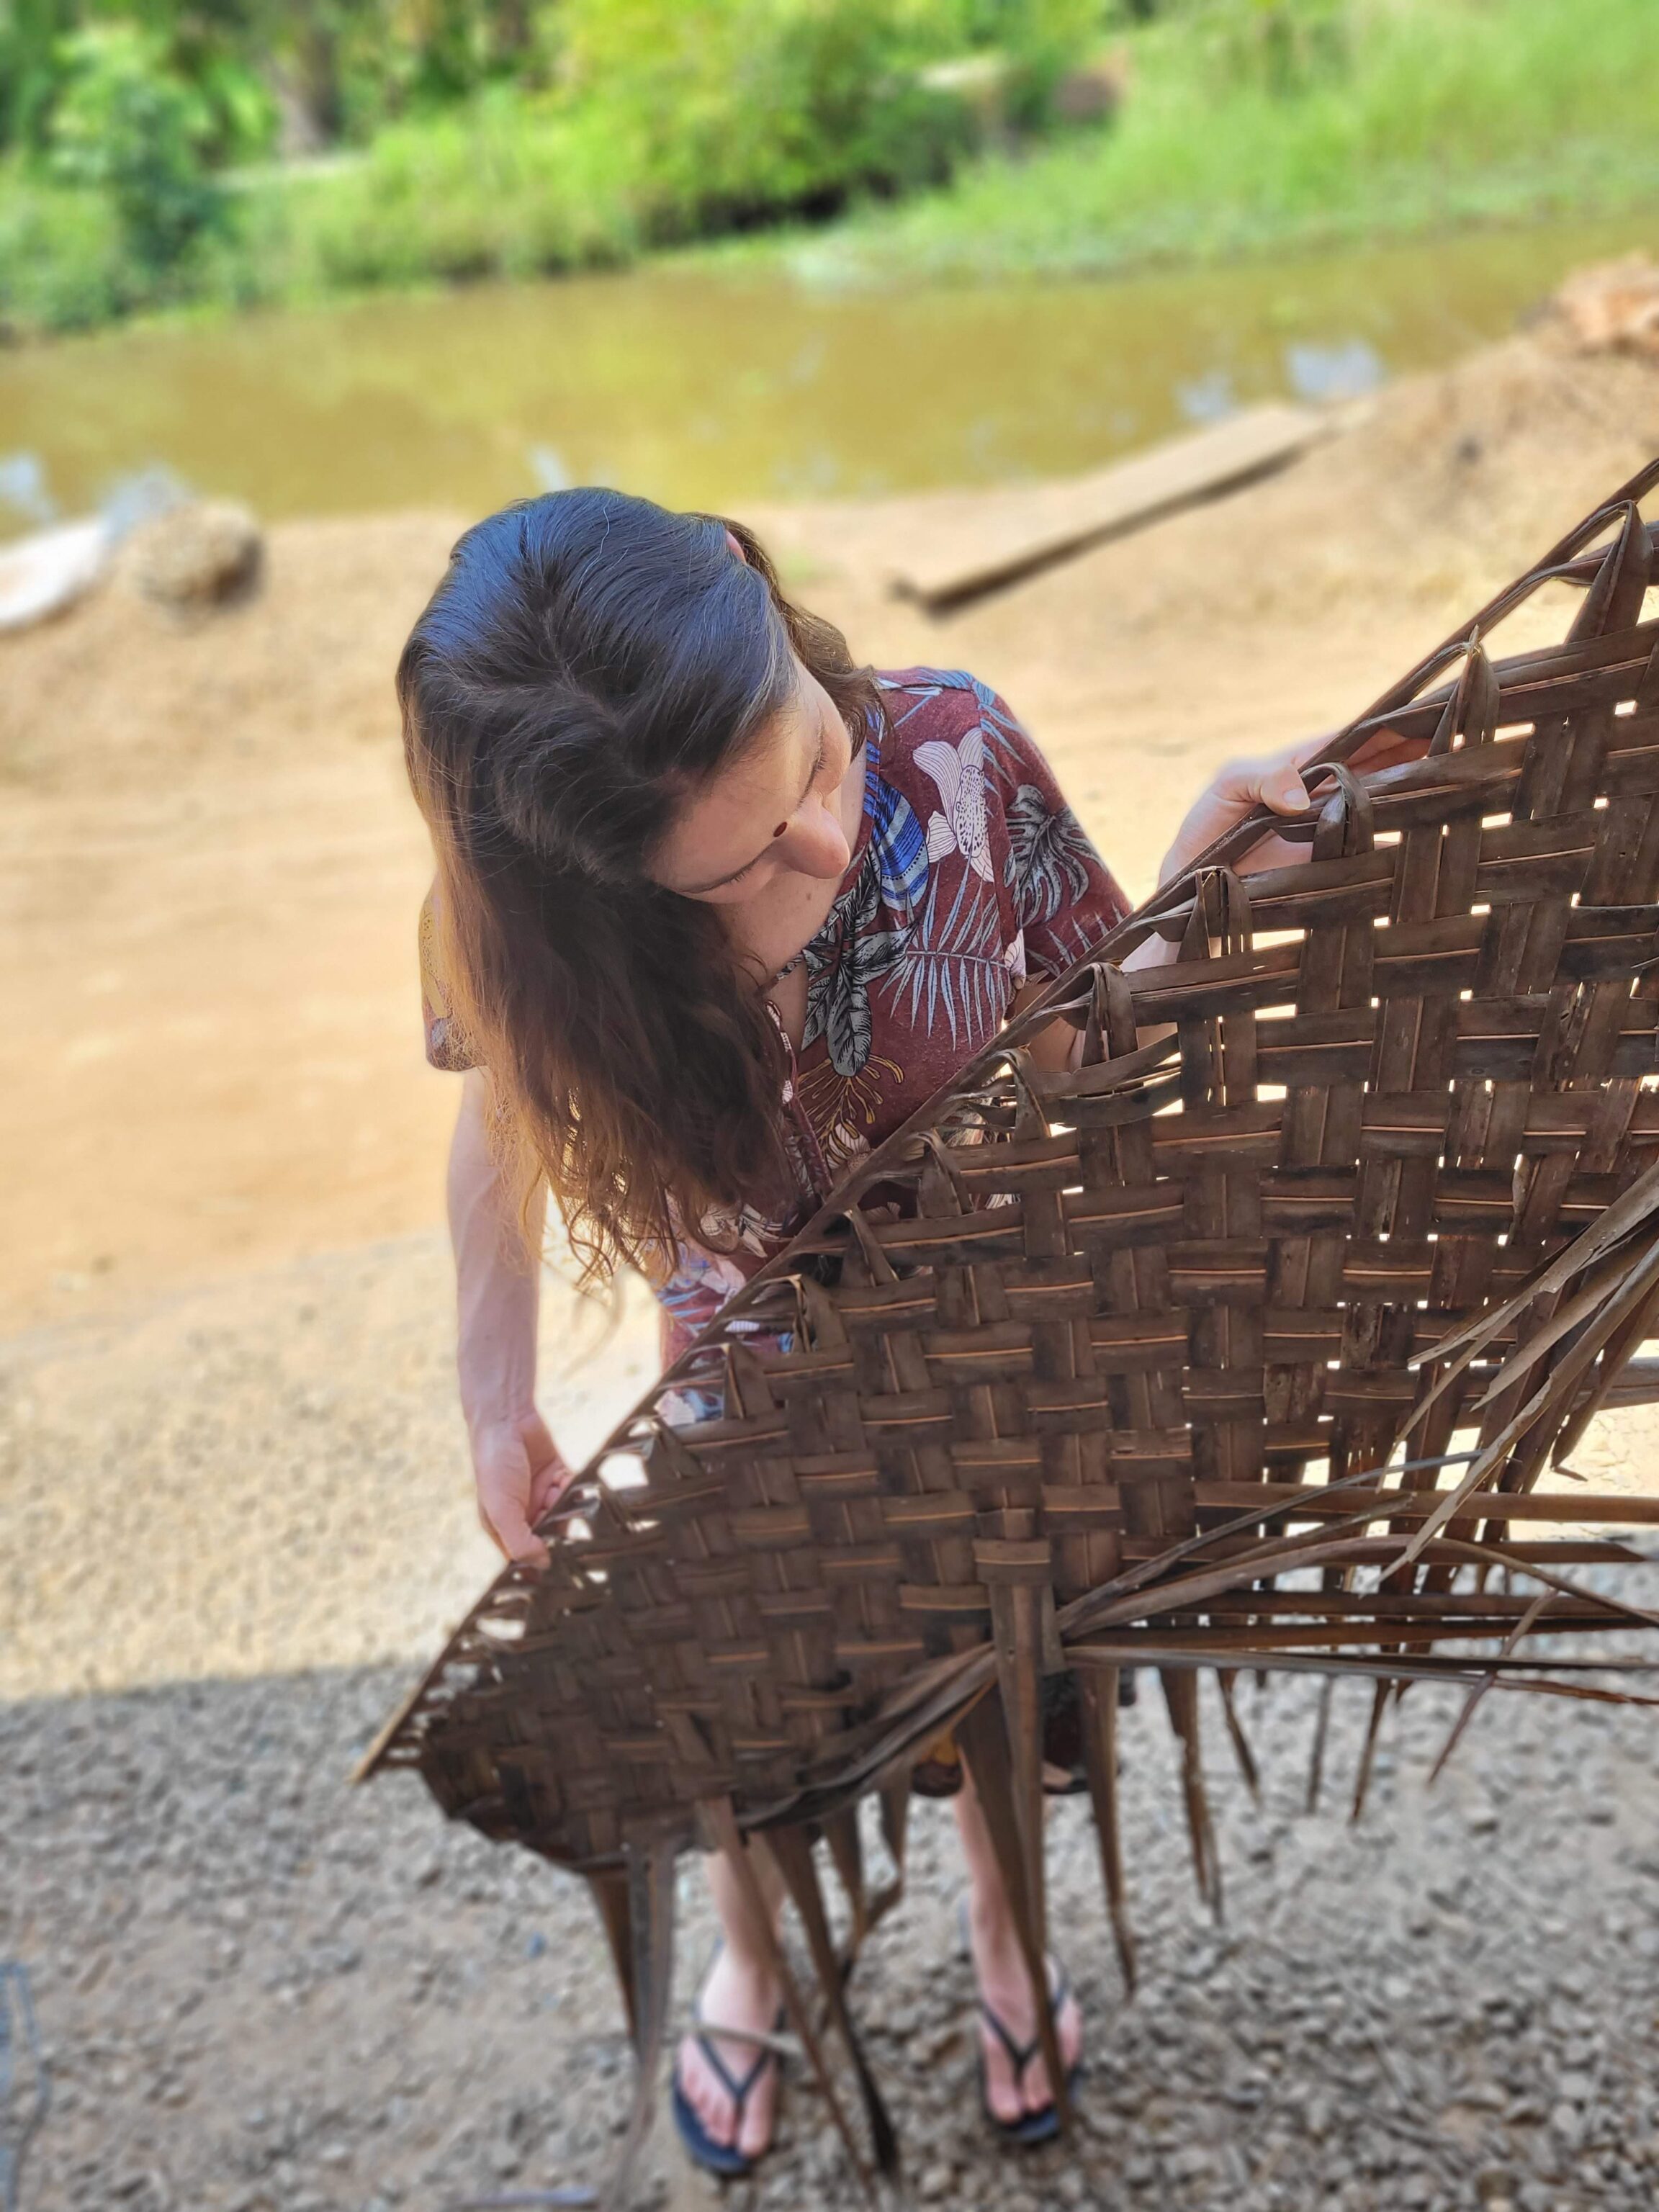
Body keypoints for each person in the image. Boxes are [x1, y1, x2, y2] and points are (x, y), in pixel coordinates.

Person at [397, 488, 1393, 2174]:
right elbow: (501, 1126)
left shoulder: (951, 745)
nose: (828, 847)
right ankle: (749, 1968)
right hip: (752, 1390)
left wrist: (1196, 885)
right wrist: (492, 1396)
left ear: (751, 595)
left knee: (1000, 1673)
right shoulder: (535, 948)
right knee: (742, 1692)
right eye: (742, 860)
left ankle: (1010, 1948)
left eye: (810, 766)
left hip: (1001, 1356)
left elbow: (1087, 1053)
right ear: (601, 886)